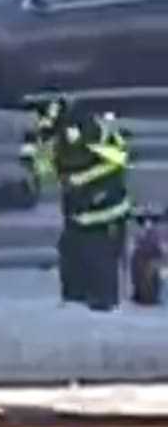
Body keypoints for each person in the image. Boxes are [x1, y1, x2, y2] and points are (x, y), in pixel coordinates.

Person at [23, 98, 131, 312]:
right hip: (78, 219)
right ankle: (76, 306)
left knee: (100, 270)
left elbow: (118, 159)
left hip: (105, 218)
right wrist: (36, 148)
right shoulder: (56, 140)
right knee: (73, 265)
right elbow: (45, 171)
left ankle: (102, 310)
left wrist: (80, 181)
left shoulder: (92, 131)